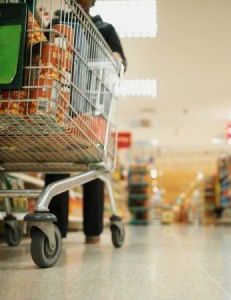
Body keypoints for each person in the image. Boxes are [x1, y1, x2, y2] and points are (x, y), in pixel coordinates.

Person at [45, 0, 127, 244]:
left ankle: (93, 230)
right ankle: (55, 227)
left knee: (92, 165)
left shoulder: (105, 29)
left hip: (93, 106)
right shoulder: (58, 22)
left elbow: (121, 65)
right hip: (62, 101)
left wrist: (116, 58)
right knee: (56, 161)